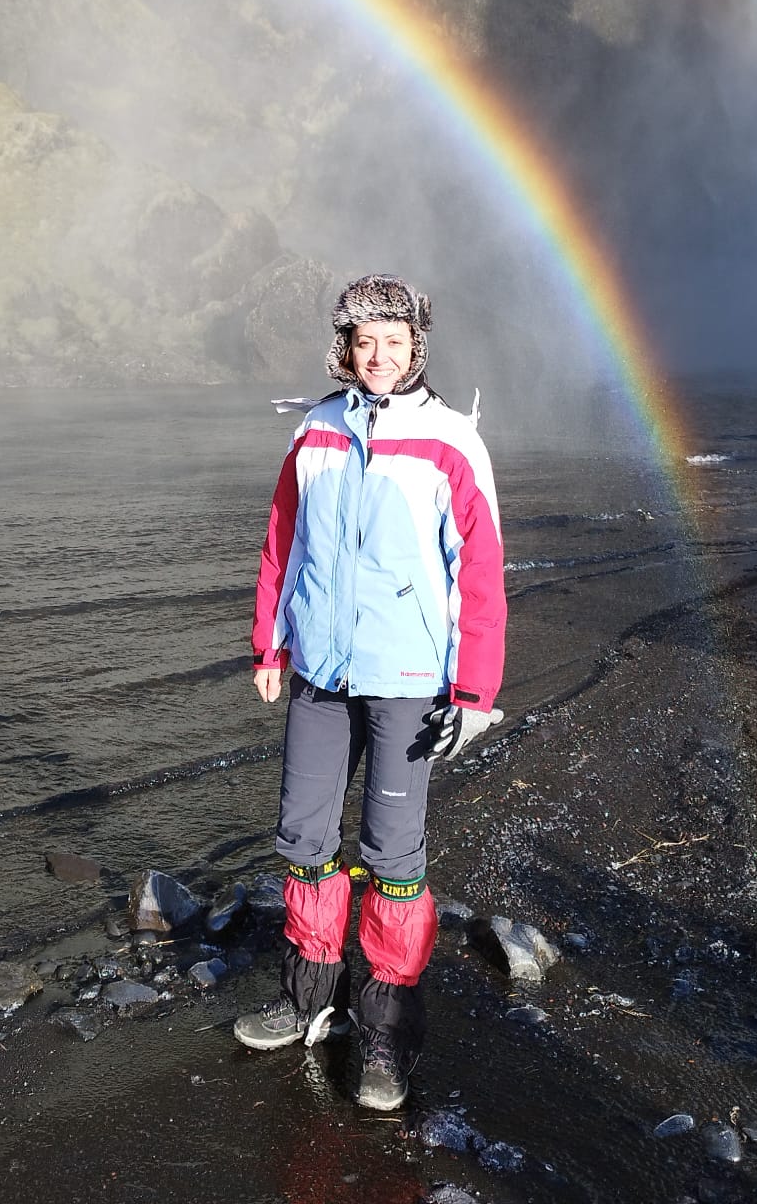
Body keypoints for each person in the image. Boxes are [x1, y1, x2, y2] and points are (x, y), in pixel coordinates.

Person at [234, 274, 507, 1111]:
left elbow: (481, 574)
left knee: (392, 857)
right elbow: (282, 544)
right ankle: (309, 998)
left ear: (416, 345)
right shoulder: (314, 431)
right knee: (305, 835)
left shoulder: (451, 441)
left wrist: (474, 691)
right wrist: (269, 642)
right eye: (364, 341)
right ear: (344, 347)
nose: (378, 356)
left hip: (410, 683)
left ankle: (386, 1028)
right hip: (319, 668)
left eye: (394, 340)